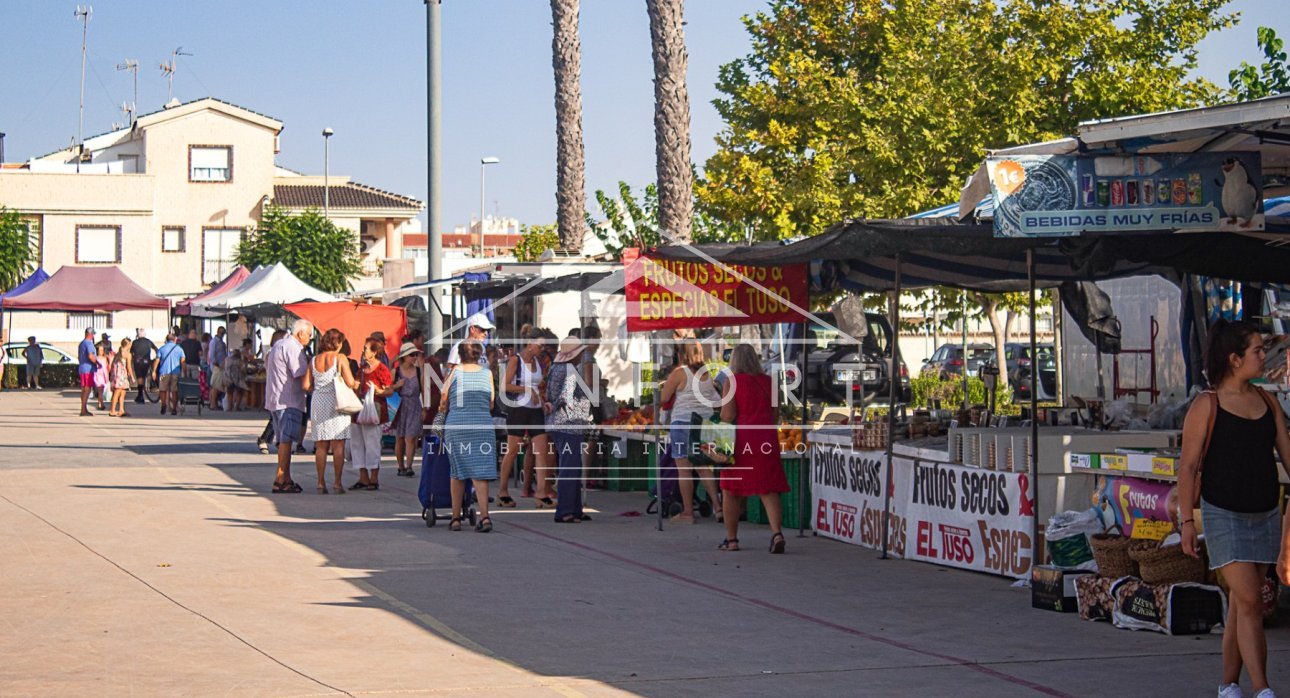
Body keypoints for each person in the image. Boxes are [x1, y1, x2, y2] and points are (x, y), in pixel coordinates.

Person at [1179, 321, 1289, 698]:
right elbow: (1188, 467)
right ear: (1234, 359)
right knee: (1249, 601)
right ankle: (1262, 688)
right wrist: (1185, 523)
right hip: (1222, 513)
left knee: (1243, 607)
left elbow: (1287, 455)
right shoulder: (1206, 405)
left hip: (1264, 514)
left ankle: (1228, 684)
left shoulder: (1268, 401)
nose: (1263, 356)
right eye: (1257, 350)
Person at [711, 344, 790, 553]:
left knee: (730, 489)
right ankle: (777, 533)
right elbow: (775, 415)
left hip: (742, 439)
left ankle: (732, 539)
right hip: (766, 437)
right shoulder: (770, 382)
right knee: (769, 488)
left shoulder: (732, 382)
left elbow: (727, 416)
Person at [659, 339, 724, 524]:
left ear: (681, 354)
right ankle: (718, 507)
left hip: (682, 423)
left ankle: (688, 512)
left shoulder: (680, 373)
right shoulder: (707, 375)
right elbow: (716, 400)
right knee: (703, 468)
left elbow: (664, 397)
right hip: (703, 424)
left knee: (684, 470)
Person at [439, 339, 496, 532]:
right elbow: (491, 403)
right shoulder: (487, 374)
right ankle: (485, 517)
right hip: (482, 426)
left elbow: (443, 400)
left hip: (457, 426)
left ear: (460, 356)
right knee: (480, 473)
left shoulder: (454, 373)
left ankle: (455, 519)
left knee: (457, 473)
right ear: (479, 355)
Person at [498, 325, 554, 508]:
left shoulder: (538, 362)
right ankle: (503, 491)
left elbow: (537, 386)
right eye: (540, 345)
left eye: (544, 346)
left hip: (535, 409)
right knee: (513, 450)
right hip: (518, 408)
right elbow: (505, 386)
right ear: (530, 344)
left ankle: (541, 492)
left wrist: (543, 400)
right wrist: (526, 389)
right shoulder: (516, 360)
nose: (542, 349)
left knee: (542, 450)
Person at [304, 328, 360, 494]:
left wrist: (318, 387)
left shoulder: (314, 360)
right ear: (338, 343)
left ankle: (320, 483)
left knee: (321, 445)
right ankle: (337, 483)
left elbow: (306, 385)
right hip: (337, 401)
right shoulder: (340, 358)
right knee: (338, 444)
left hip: (318, 401)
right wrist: (355, 384)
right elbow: (349, 382)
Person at [546, 335, 593, 523]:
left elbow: (551, 394)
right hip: (569, 424)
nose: (582, 356)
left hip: (558, 423)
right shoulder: (570, 371)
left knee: (572, 466)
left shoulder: (555, 368)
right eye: (580, 352)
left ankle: (574, 508)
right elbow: (565, 396)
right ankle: (565, 510)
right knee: (569, 468)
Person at [265, 319, 314, 494]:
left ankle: (286, 477)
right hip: (289, 400)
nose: (309, 339)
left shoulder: (278, 344)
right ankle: (280, 478)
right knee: (286, 441)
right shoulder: (293, 347)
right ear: (301, 333)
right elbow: (300, 373)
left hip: (276, 398)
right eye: (309, 335)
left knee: (284, 440)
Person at [350, 338, 393, 491]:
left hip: (375, 410)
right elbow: (356, 385)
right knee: (357, 443)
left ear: (374, 353)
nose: (363, 351)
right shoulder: (361, 369)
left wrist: (379, 391)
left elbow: (389, 390)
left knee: (372, 443)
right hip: (359, 409)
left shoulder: (382, 369)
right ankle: (363, 477)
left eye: (366, 349)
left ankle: (373, 477)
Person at [390, 342, 424, 477]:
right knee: (400, 437)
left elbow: (423, 389)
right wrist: (396, 385)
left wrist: (425, 407)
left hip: (415, 403)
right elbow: (388, 388)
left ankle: (409, 466)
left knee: (411, 437)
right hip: (400, 405)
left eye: (416, 354)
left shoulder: (418, 371)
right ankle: (400, 466)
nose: (414, 357)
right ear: (404, 356)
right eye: (412, 355)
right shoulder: (396, 371)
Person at [257, 330, 288, 452]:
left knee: (276, 418)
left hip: (275, 390)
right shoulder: (274, 353)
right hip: (277, 390)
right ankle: (268, 440)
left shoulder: (272, 353)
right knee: (277, 419)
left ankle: (272, 440)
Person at [155, 331, 185, 415]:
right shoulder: (179, 349)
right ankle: (174, 408)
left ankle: (163, 405)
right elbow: (183, 362)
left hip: (164, 372)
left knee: (163, 390)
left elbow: (157, 360)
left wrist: (153, 371)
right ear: (175, 339)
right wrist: (184, 373)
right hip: (175, 372)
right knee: (174, 391)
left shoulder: (162, 348)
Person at [76, 328, 99, 416]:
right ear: (91, 334)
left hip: (82, 367)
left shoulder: (82, 343)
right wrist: (97, 363)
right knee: (87, 389)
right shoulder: (89, 343)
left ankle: (84, 408)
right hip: (88, 369)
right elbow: (90, 356)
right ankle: (83, 409)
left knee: (84, 389)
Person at [109, 338, 133, 417]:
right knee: (118, 393)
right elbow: (129, 367)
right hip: (122, 376)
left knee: (122, 393)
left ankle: (121, 409)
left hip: (117, 376)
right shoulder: (127, 354)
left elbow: (112, 365)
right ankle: (112, 410)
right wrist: (132, 376)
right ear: (128, 345)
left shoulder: (118, 354)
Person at [224, 339, 250, 411]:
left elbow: (224, 368)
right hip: (238, 379)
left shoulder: (227, 360)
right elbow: (243, 369)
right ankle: (237, 406)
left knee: (230, 393)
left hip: (229, 379)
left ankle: (230, 407)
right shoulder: (240, 361)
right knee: (240, 392)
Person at [132, 329, 156, 403]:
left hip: (137, 361)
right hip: (146, 361)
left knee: (139, 378)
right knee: (144, 376)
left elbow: (131, 352)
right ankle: (142, 394)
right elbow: (156, 349)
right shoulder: (148, 341)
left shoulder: (135, 342)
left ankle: (140, 395)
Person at [208, 326, 228, 410]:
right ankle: (213, 404)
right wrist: (217, 364)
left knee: (217, 386)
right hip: (217, 367)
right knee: (215, 386)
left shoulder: (221, 342)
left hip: (221, 366)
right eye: (222, 333)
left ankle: (214, 403)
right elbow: (211, 355)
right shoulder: (214, 342)